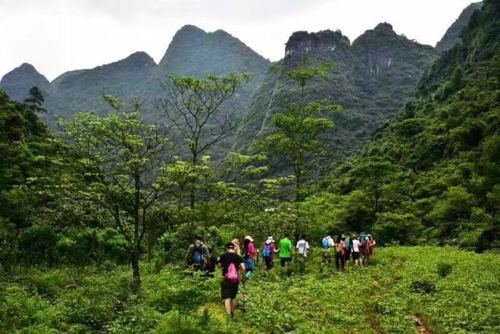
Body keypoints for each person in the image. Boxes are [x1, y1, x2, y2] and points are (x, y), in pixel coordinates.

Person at [218, 242, 246, 317]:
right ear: (233, 248)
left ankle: (228, 314)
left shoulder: (223, 256)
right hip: (235, 279)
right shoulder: (238, 257)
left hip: (226, 278)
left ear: (227, 248)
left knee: (227, 297)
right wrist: (243, 278)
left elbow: (219, 265)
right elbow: (243, 268)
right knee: (233, 297)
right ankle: (232, 313)